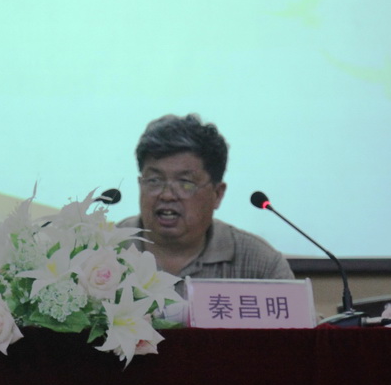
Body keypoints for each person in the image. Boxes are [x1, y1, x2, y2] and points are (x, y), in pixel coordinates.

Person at [118, 113, 294, 283]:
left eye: (185, 183)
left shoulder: (261, 266)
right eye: (154, 180)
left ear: (217, 194)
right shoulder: (107, 249)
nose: (167, 195)